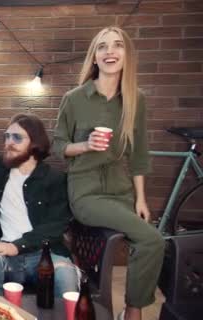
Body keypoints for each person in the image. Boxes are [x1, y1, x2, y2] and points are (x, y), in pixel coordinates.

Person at [52, 26, 164, 320]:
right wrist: (86, 144)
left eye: (117, 46)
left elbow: (139, 153)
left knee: (144, 241)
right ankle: (134, 310)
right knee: (153, 240)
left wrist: (141, 199)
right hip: (86, 192)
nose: (110, 52)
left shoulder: (135, 99)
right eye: (102, 47)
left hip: (121, 189)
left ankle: (129, 303)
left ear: (127, 55)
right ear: (94, 57)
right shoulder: (75, 98)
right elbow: (58, 146)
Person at [0, 114, 78, 297]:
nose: (9, 142)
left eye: (17, 137)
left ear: (35, 142)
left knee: (66, 275)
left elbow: (56, 225)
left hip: (44, 255)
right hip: (4, 254)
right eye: (6, 136)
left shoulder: (54, 179)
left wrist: (18, 246)